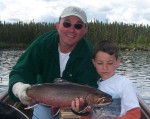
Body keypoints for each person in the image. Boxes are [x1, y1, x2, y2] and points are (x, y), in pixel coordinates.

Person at [8, 6, 99, 119]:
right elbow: (19, 72)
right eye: (66, 24)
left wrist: (82, 109)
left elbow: (90, 86)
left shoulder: (89, 54)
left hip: (72, 108)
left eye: (78, 25)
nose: (71, 29)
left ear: (85, 30)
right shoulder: (41, 45)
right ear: (58, 26)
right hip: (42, 102)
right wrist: (20, 90)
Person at [92, 40, 141, 119]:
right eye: (100, 63)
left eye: (110, 63)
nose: (105, 67)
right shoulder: (92, 83)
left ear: (117, 62)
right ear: (94, 63)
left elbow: (135, 113)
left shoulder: (124, 83)